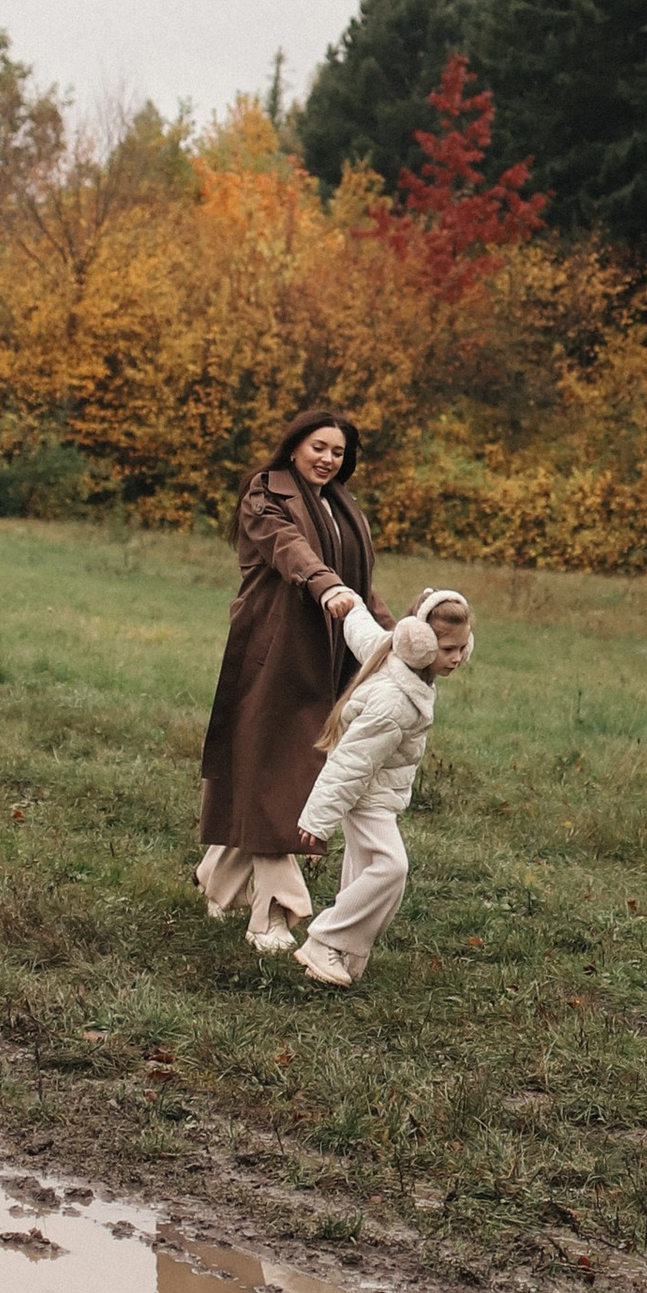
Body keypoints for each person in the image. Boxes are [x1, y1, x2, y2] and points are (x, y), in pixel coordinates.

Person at [194, 404, 377, 954]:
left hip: (324, 655)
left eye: (338, 452)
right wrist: (324, 586)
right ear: (295, 445)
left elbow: (360, 585)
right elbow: (285, 547)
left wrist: (396, 637)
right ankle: (274, 913)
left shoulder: (340, 507)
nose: (327, 459)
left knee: (276, 769)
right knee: (279, 773)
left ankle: (218, 875)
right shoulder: (266, 492)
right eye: (319, 447)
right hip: (271, 648)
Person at [289, 587, 474, 989]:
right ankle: (325, 940)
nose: (457, 658)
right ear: (420, 642)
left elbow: (361, 630)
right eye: (448, 649)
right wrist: (318, 820)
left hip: (376, 793)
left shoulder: (395, 652)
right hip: (367, 797)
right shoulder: (394, 701)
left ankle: (349, 955)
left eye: (463, 647)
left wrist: (350, 602)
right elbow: (351, 762)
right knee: (391, 867)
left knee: (362, 871)